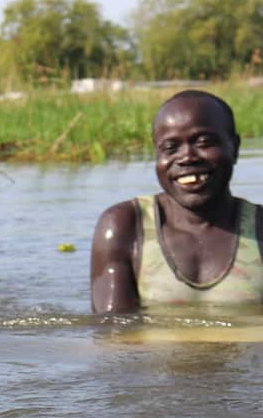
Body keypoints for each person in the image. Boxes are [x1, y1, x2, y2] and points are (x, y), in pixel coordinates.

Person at [90, 89, 263, 313]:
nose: (186, 157)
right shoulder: (125, 226)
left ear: (235, 147)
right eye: (170, 148)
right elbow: (113, 333)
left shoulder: (259, 228)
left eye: (203, 142)